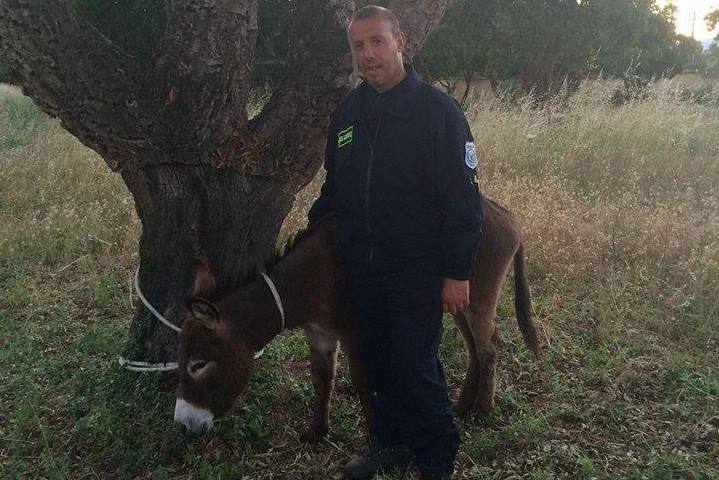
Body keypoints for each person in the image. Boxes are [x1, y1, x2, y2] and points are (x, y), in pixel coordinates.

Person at [308, 5, 483, 480]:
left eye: (377, 42)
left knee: (415, 364)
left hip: (416, 270)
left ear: (401, 43)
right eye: (358, 46)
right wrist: (315, 243)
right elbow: (333, 190)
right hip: (360, 270)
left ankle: (435, 458)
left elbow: (463, 203)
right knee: (374, 362)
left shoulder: (437, 113)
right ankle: (389, 442)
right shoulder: (348, 114)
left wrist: (457, 273)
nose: (368, 55)